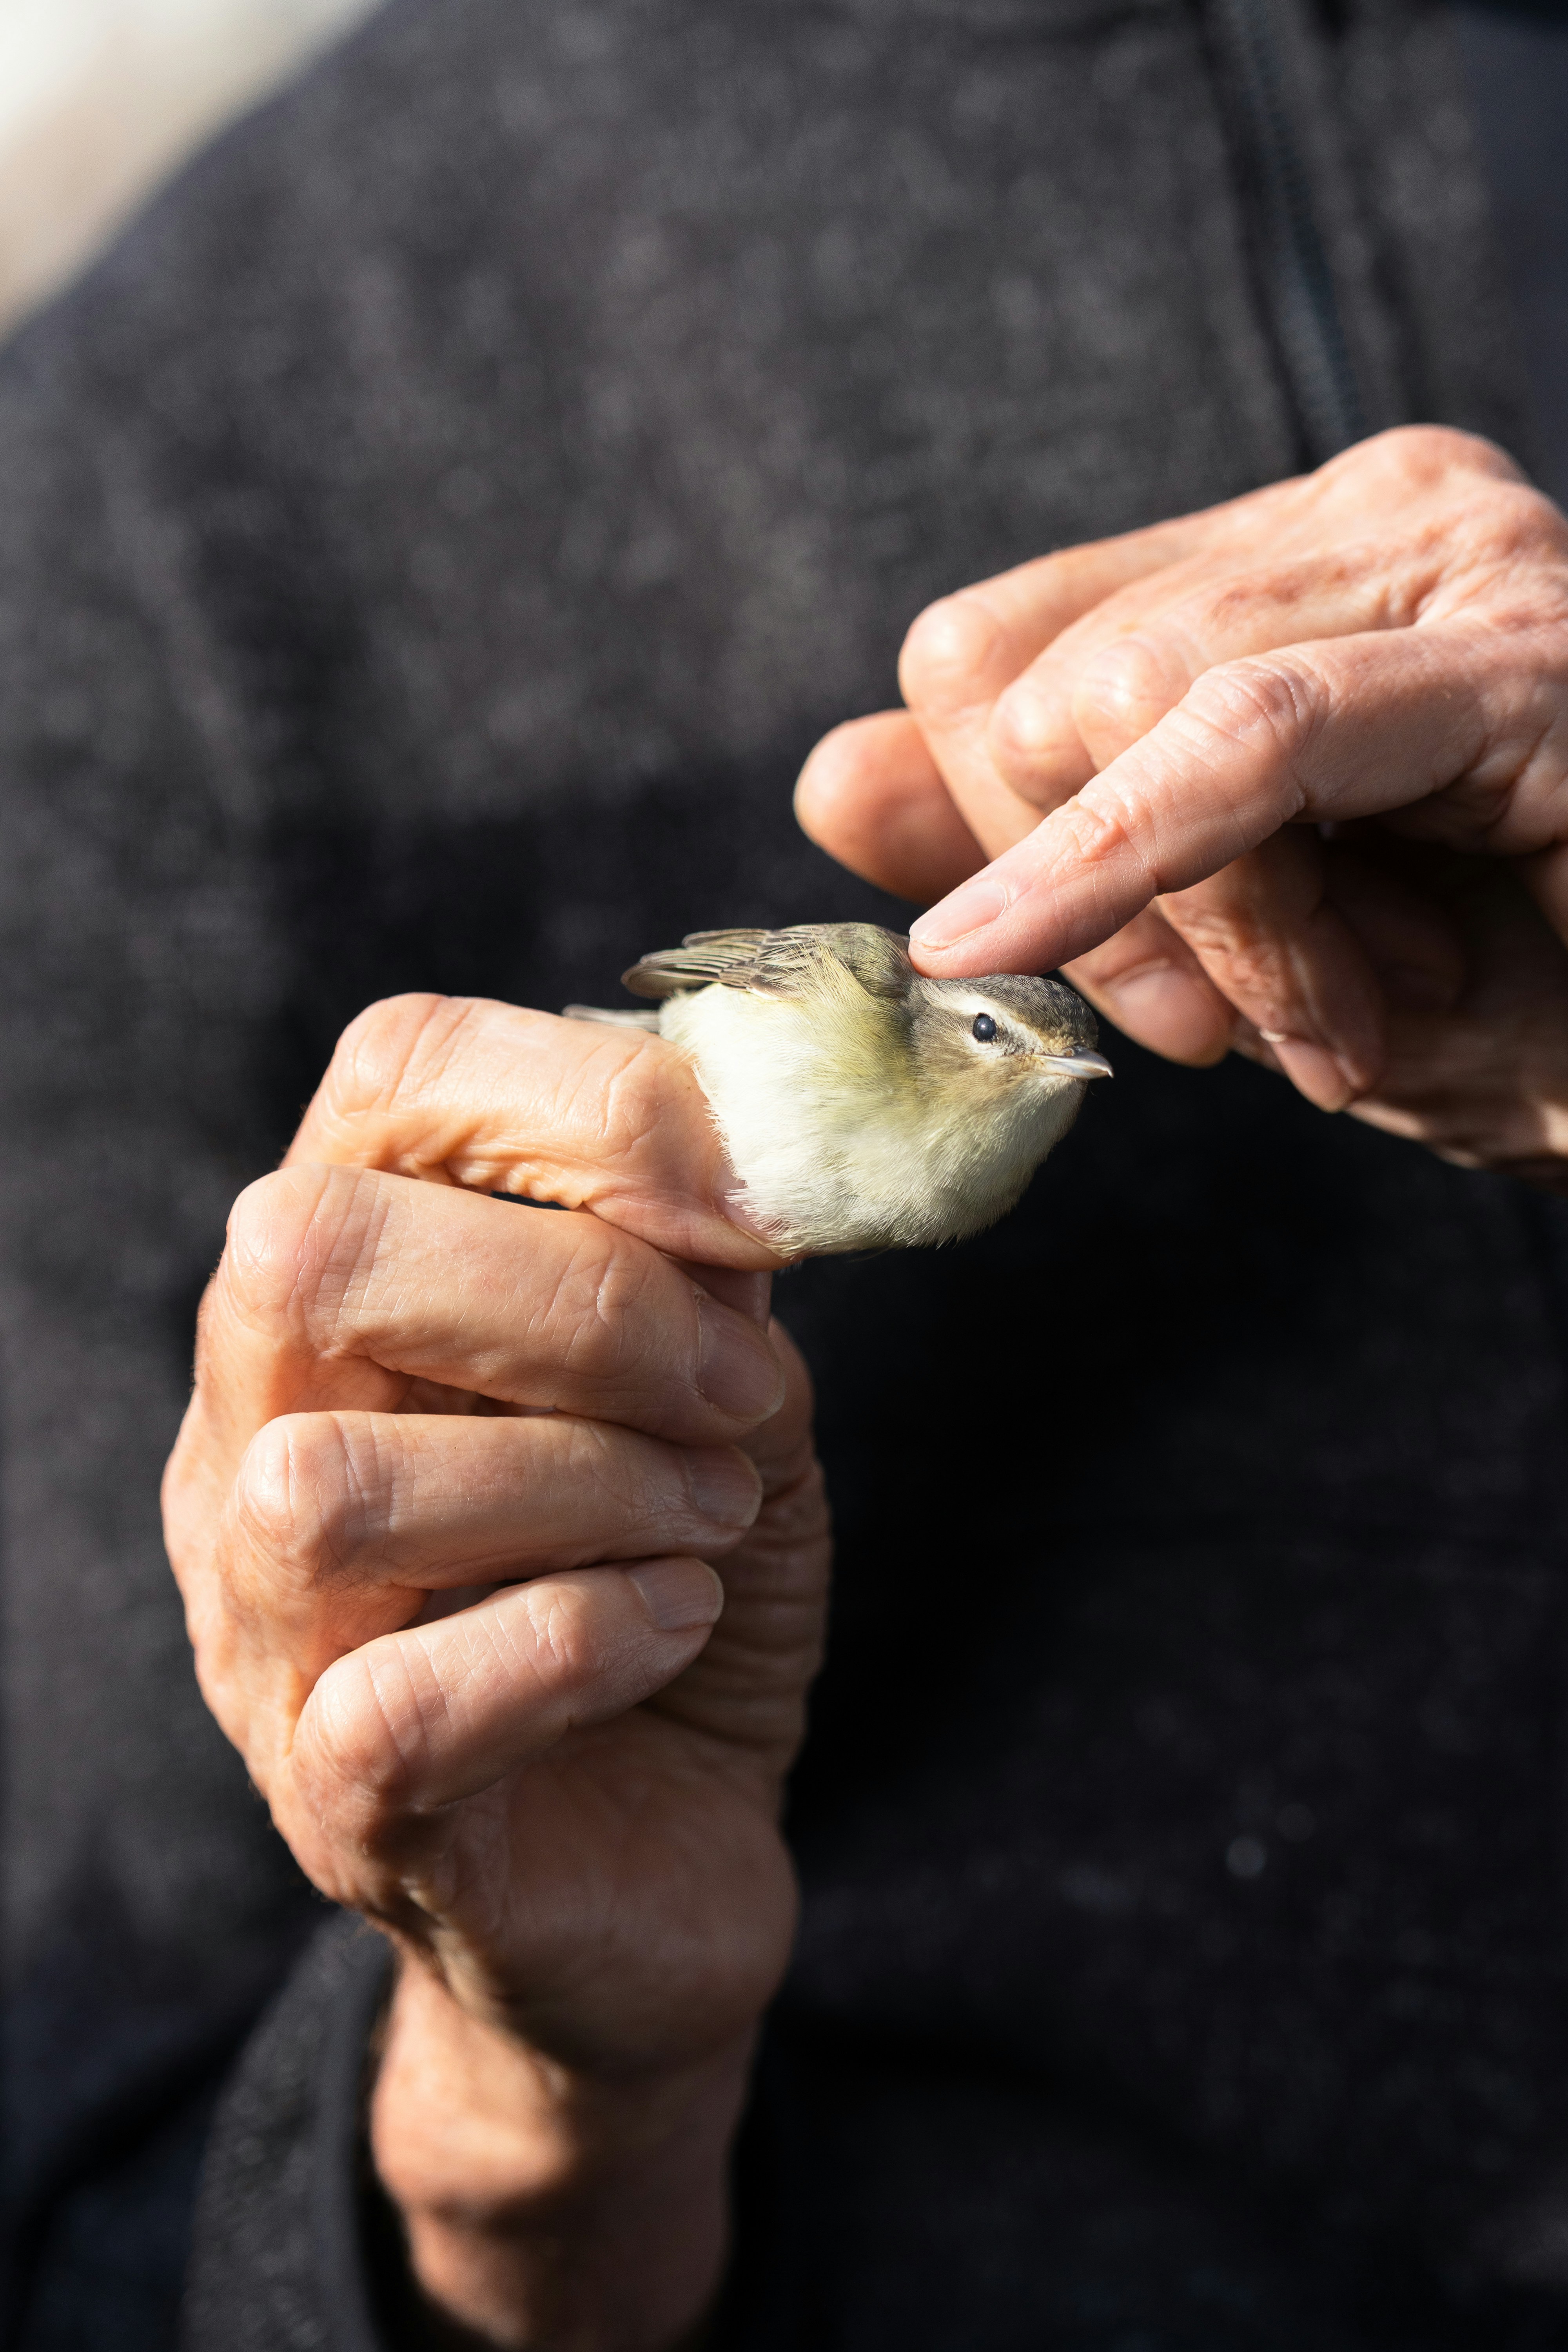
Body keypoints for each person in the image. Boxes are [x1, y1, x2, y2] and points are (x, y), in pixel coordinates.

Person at [4, 0, 1568, 2345]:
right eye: (1001, 1040)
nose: (1048, 1070)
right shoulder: (150, 469)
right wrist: (531, 2143)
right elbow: (94, 2202)